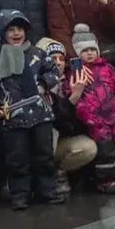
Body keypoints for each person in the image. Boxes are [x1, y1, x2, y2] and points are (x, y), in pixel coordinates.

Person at [0, 10, 63, 210]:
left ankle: (47, 190)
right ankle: (20, 193)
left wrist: (44, 84)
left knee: (44, 154)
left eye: (20, 29)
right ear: (2, 33)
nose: (16, 33)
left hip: (41, 113)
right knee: (17, 158)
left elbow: (53, 71)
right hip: (13, 117)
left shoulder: (37, 53)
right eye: (11, 30)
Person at [67, 24, 115, 194]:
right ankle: (106, 180)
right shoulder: (76, 74)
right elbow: (77, 99)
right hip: (96, 119)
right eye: (85, 50)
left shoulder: (108, 69)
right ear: (77, 52)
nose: (90, 53)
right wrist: (87, 116)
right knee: (106, 151)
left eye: (92, 49)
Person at [37, 38, 99, 190]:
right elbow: (54, 117)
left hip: (61, 140)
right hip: (38, 144)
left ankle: (60, 171)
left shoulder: (72, 79)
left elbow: (69, 123)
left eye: (61, 59)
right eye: (53, 59)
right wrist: (73, 98)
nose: (58, 63)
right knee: (48, 131)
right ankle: (43, 180)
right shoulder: (36, 83)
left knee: (88, 147)